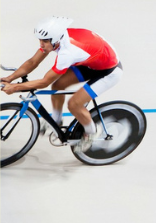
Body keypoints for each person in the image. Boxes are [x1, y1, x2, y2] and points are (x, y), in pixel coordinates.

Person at [1, 17, 123, 152]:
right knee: (58, 85)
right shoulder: (55, 38)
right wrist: (10, 78)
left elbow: (44, 82)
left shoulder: (67, 53)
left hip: (109, 72)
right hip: (91, 62)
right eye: (40, 40)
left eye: (45, 41)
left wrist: (15, 87)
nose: (41, 45)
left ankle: (92, 132)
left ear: (55, 40)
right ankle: (56, 120)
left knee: (74, 104)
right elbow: (32, 62)